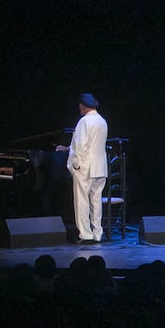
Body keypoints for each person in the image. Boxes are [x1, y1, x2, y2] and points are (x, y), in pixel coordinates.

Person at [64, 93, 108, 244]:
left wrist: (75, 164)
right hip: (100, 166)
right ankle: (97, 233)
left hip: (86, 167)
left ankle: (85, 234)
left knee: (82, 200)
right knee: (96, 200)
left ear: (82, 106)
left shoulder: (84, 121)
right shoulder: (102, 121)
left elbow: (80, 146)